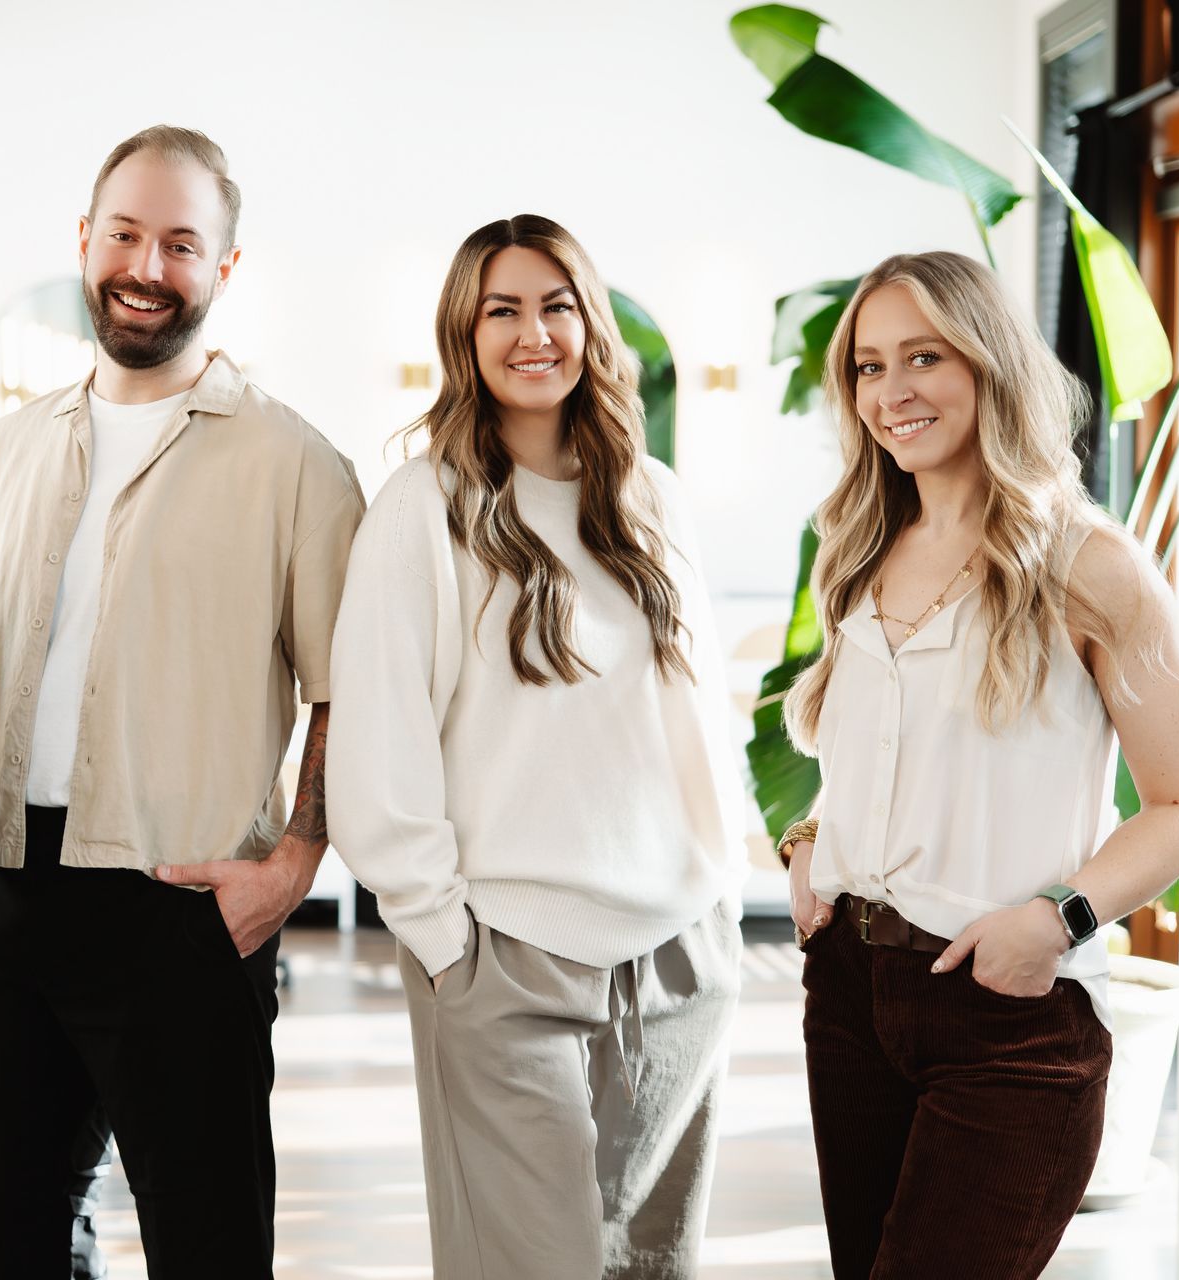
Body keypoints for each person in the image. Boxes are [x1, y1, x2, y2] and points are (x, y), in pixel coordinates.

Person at [0, 124, 364, 1279]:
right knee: (18, 1250)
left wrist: (294, 861)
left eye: (181, 243)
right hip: (1, 902)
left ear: (224, 269)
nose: (146, 264)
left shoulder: (297, 465)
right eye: (125, 232)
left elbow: (347, 693)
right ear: (85, 240)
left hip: (179, 906)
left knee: (209, 1248)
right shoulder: (6, 452)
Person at [780, 250, 1179, 1279]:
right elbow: (871, 757)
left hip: (1009, 1012)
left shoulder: (1091, 563)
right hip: (849, 991)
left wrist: (1055, 920)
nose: (892, 392)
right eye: (868, 366)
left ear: (989, 365)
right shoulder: (853, 546)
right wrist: (812, 840)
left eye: (923, 356)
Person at [326, 214, 747, 1280]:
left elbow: (698, 712)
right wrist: (442, 937)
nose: (532, 332)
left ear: (589, 324)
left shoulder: (651, 501)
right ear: (463, 334)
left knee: (652, 1261)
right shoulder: (424, 509)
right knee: (529, 1262)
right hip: (504, 946)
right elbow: (382, 735)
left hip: (678, 951)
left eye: (555, 304)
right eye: (501, 308)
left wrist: (723, 891)